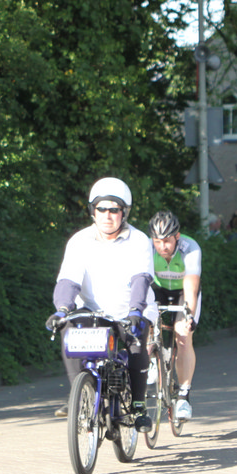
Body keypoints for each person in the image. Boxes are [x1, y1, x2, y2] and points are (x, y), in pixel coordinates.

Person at [46, 177, 154, 431]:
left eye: (114, 210)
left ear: (124, 213)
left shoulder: (139, 240)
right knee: (68, 330)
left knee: (136, 343)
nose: (107, 215)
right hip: (92, 310)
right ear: (92, 211)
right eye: (101, 208)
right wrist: (61, 309)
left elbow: (141, 279)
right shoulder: (79, 241)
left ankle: (139, 405)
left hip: (130, 310)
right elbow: (68, 280)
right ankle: (80, 397)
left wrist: (136, 310)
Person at [149, 211, 201, 421]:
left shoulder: (190, 248)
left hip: (182, 292)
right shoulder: (146, 248)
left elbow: (190, 286)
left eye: (167, 241)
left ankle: (183, 396)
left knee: (183, 336)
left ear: (177, 237)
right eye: (157, 241)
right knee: (143, 323)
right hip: (158, 290)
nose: (162, 247)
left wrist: (188, 316)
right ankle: (152, 359)